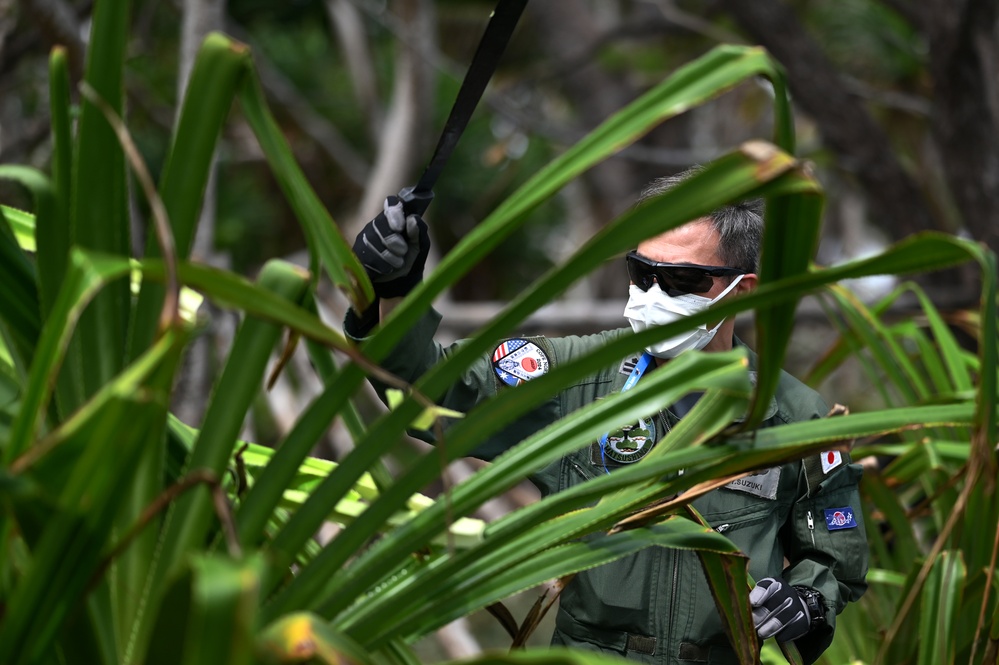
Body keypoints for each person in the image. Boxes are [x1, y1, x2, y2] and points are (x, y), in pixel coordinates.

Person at [345, 168, 869, 664]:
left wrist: (805, 599)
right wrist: (389, 293)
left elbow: (835, 552)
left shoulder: (796, 414)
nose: (654, 295)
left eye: (683, 280)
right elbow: (429, 391)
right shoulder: (571, 379)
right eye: (642, 273)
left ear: (742, 290)